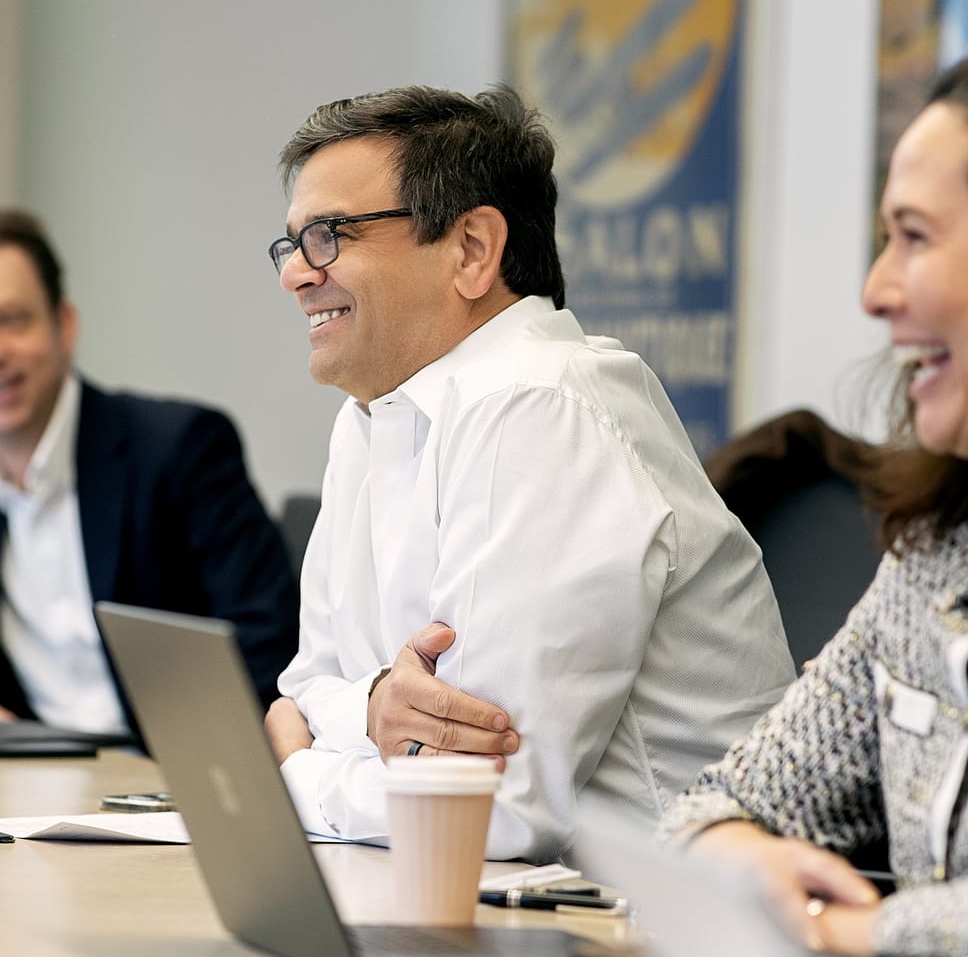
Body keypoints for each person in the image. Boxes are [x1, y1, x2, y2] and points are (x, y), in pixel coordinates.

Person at [262, 84, 795, 862]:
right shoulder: (371, 416)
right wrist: (376, 704)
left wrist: (293, 776)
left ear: (473, 249)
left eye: (330, 235)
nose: (296, 276)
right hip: (497, 898)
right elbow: (308, 687)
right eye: (292, 244)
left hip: (660, 921)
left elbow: (491, 811)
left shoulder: (540, 408)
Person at [658, 56, 968, 957]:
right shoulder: (935, 559)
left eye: (912, 236)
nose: (875, 290)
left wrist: (864, 931)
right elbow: (716, 803)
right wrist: (731, 853)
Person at [0, 208, 299, 732]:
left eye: (11, 319)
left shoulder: (179, 449)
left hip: (165, 786)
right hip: (15, 794)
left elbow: (272, 643)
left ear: (65, 324)